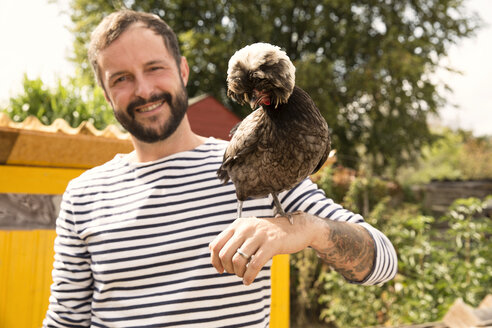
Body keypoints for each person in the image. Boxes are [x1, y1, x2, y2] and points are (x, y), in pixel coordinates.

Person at [43, 9, 397, 327]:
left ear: (182, 70)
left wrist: (306, 229)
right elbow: (65, 320)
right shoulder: (83, 194)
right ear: (106, 93)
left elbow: (383, 262)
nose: (145, 89)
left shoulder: (263, 162)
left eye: (155, 68)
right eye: (121, 78)